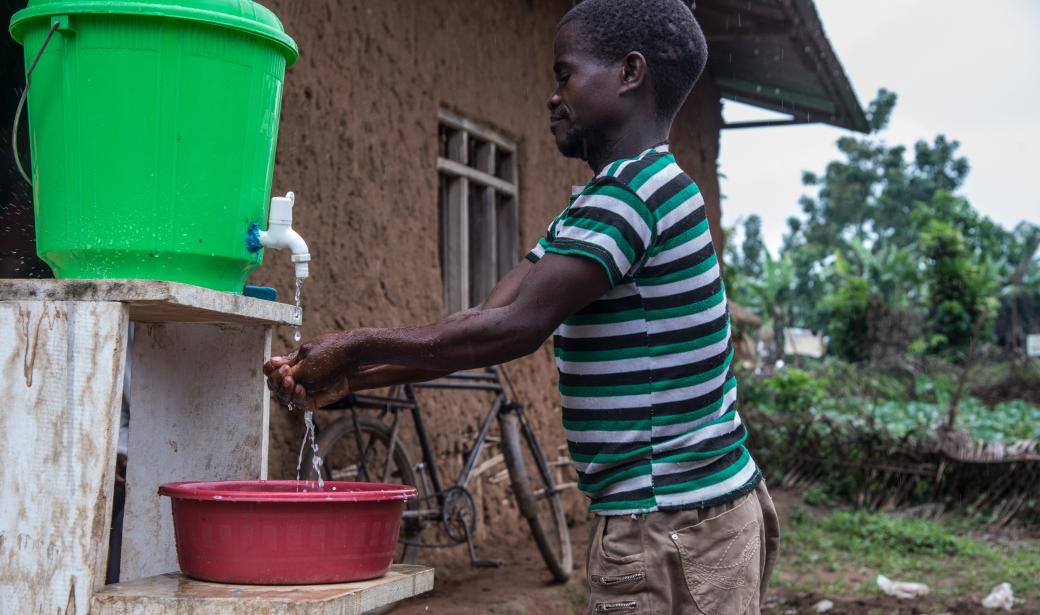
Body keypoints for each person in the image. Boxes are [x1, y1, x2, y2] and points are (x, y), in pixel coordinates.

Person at [265, 0, 779, 612]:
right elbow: (483, 319)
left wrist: (355, 345)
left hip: (671, 520)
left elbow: (516, 329)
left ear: (629, 72)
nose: (552, 96)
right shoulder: (600, 202)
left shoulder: (634, 195)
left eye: (565, 74)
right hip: (691, 514)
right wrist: (352, 378)